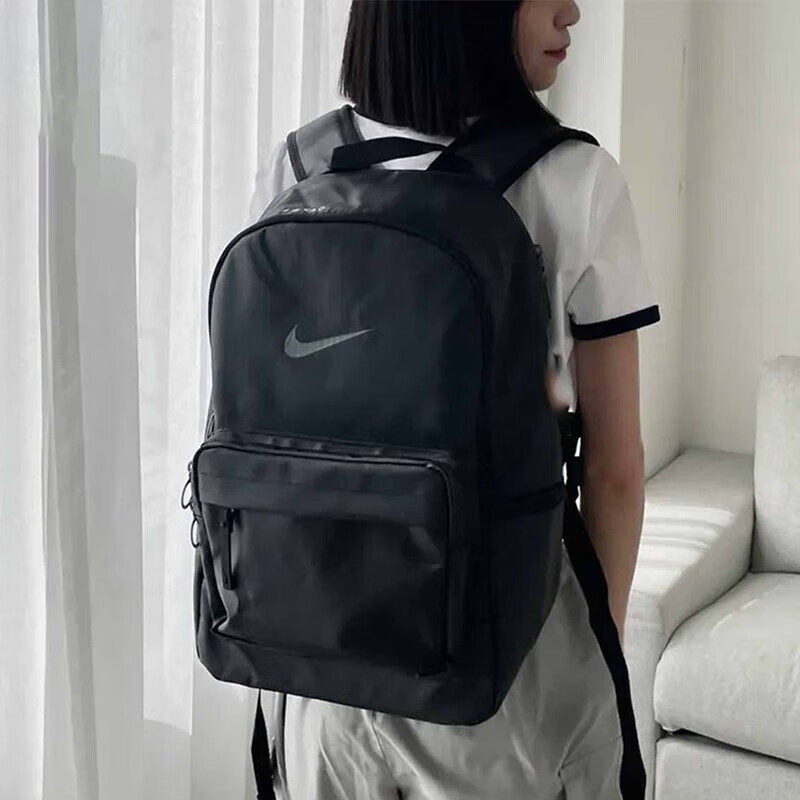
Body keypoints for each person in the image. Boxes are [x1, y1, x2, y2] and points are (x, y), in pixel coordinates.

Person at [248, 2, 661, 798]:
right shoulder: (573, 179)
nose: (573, 10)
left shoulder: (299, 166)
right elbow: (614, 470)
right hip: (503, 675)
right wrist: (593, 653)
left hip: (316, 663)